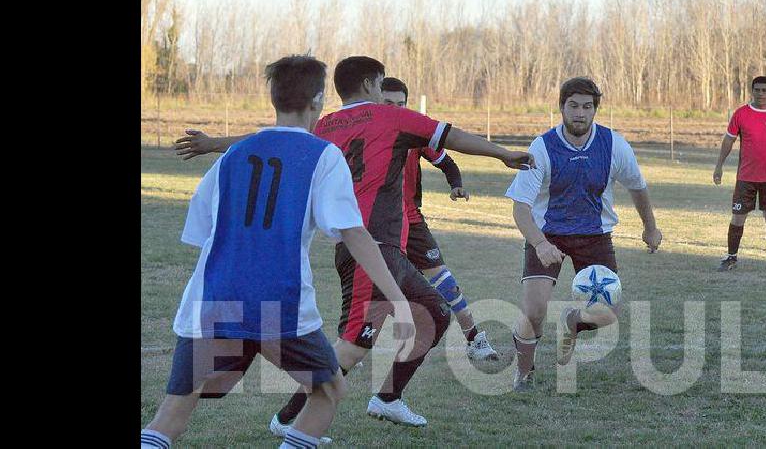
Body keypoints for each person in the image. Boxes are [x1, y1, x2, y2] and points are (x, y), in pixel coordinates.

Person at [172, 56, 532, 429]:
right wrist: (503, 153)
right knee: (355, 344)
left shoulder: (325, 124)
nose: (383, 93)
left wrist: (214, 143)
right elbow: (452, 135)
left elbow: (272, 140)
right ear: (367, 85)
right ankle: (288, 420)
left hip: (375, 246)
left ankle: (388, 398)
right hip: (367, 244)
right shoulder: (391, 117)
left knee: (435, 313)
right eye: (380, 86)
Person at [141, 55, 416, 449]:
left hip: (212, 298)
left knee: (172, 410)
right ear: (319, 100)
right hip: (278, 303)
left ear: (273, 98)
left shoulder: (232, 156)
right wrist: (397, 298)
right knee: (328, 389)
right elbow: (354, 234)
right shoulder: (323, 156)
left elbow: (200, 232)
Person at [504, 76, 662, 391]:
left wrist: (650, 227)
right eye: (573, 106)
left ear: (595, 110)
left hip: (595, 236)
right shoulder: (543, 147)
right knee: (534, 310)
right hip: (549, 235)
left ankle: (572, 322)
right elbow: (521, 207)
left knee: (608, 314)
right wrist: (539, 243)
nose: (580, 113)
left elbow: (637, 186)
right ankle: (524, 374)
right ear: (562, 108)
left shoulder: (613, 144)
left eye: (587, 107)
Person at [379, 76, 500, 361]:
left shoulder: (414, 130)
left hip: (411, 218)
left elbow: (446, 161)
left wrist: (455, 183)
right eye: (388, 104)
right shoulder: (365, 133)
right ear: (376, 102)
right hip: (379, 222)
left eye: (401, 104)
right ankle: (354, 347)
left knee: (445, 281)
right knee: (376, 286)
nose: (396, 110)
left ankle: (475, 339)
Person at [712, 76, 766, 273]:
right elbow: (728, 141)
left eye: (764, 90)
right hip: (745, 177)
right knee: (737, 218)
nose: (760, 94)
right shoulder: (741, 114)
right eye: (757, 90)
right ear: (752, 91)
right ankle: (731, 257)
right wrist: (719, 166)